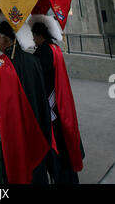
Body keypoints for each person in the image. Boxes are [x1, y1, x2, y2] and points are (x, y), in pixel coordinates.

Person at [0, 21, 52, 184]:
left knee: (9, 169)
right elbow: (41, 96)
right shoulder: (33, 60)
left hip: (9, 130)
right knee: (35, 169)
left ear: (6, 39)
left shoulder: (0, 65)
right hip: (35, 126)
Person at [31, 19, 84, 184]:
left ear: (39, 36)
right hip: (60, 102)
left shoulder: (43, 52)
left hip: (51, 106)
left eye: (34, 36)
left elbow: (37, 76)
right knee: (65, 142)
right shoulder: (55, 48)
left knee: (56, 145)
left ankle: (61, 177)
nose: (32, 39)